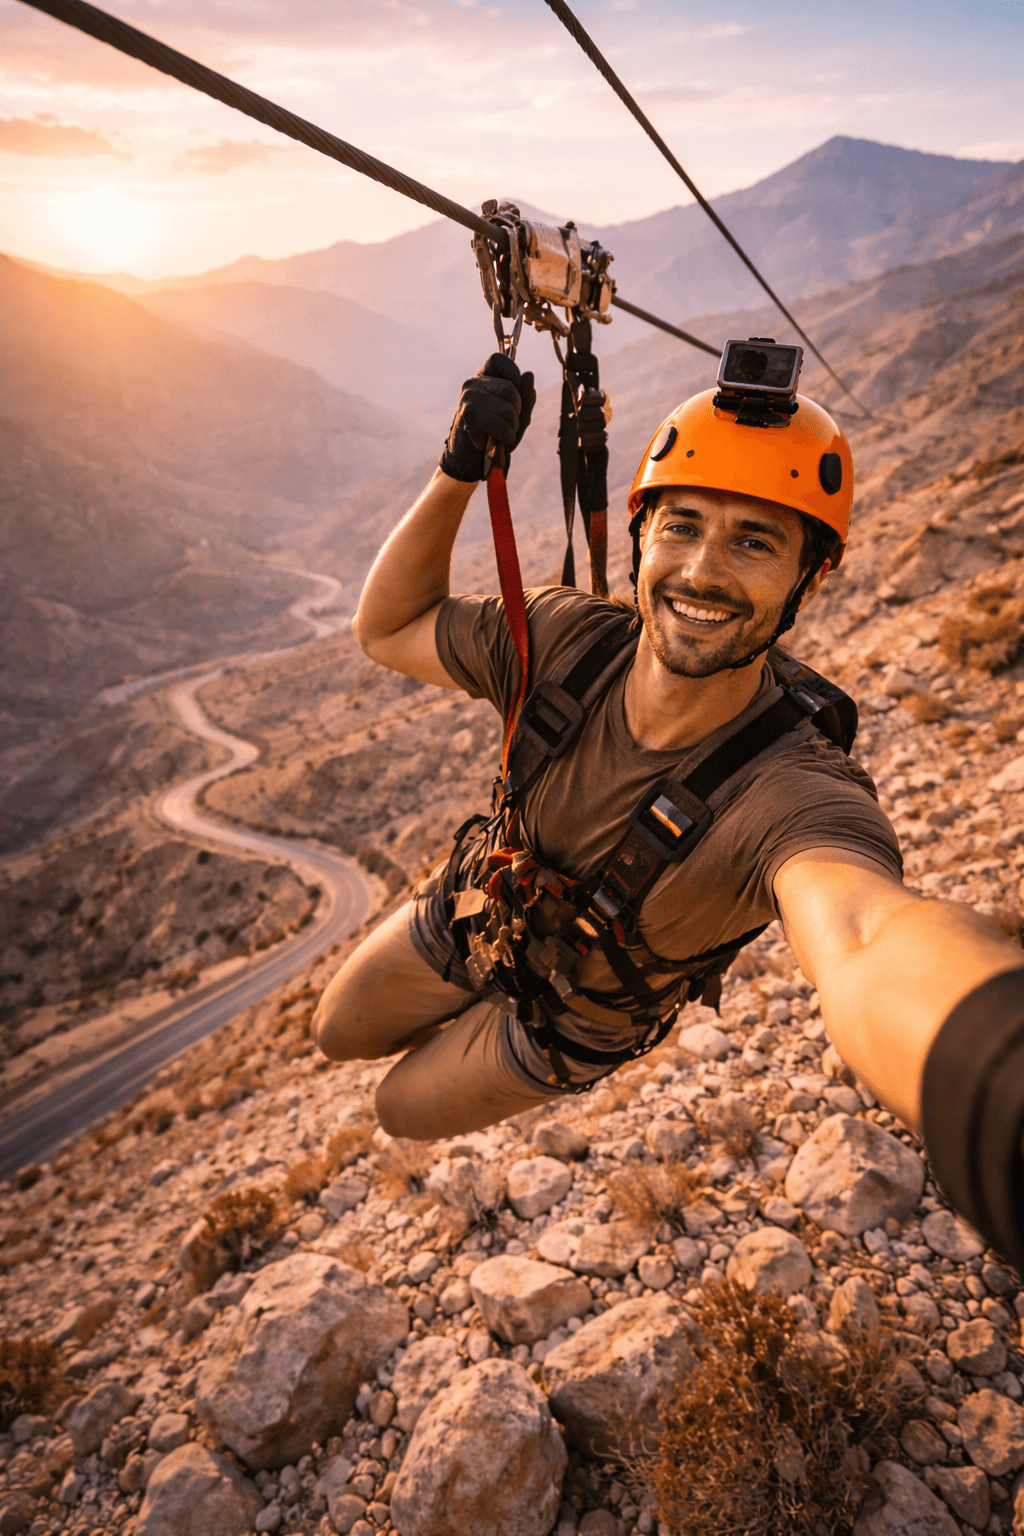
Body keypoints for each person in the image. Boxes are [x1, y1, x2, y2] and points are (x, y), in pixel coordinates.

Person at [313, 351, 1024, 1269]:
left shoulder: (794, 794)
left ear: (809, 579)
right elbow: (388, 628)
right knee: (335, 1030)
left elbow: (865, 938)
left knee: (395, 1107)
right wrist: (460, 470)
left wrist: (993, 1075)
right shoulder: (570, 643)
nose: (701, 571)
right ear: (640, 538)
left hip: (573, 1018)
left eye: (756, 542)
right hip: (481, 907)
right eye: (681, 527)